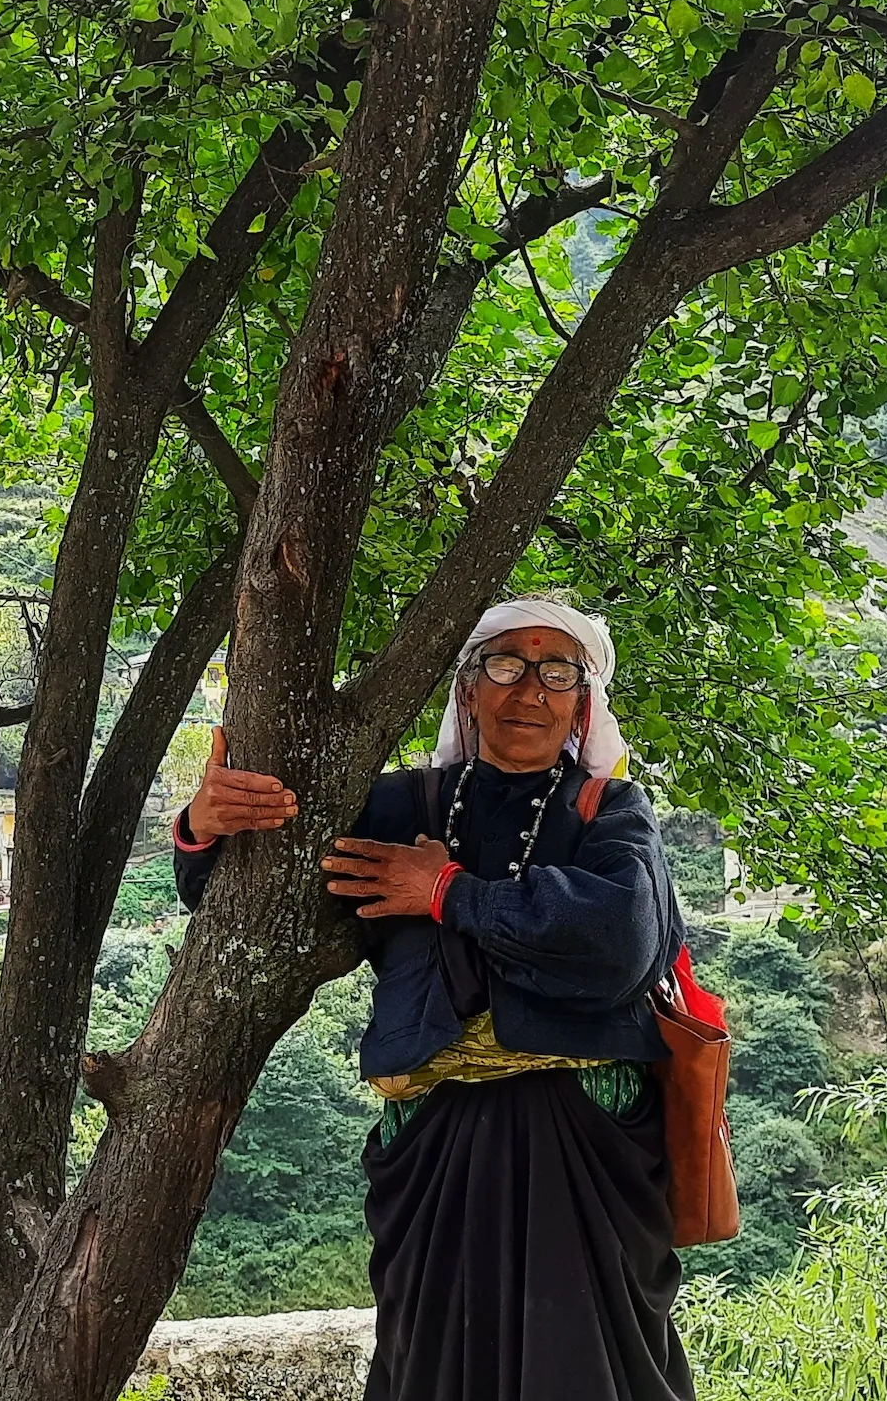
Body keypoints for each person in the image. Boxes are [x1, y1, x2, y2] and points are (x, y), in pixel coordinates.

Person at [172, 596, 695, 1401]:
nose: (531, 690)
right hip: (436, 1136)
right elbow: (254, 904)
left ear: (583, 703)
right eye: (506, 665)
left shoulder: (609, 813)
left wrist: (448, 891)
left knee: (585, 1366)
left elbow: (618, 943)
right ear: (466, 691)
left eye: (558, 672)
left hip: (583, 1134)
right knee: (433, 1366)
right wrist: (205, 825)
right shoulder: (397, 806)